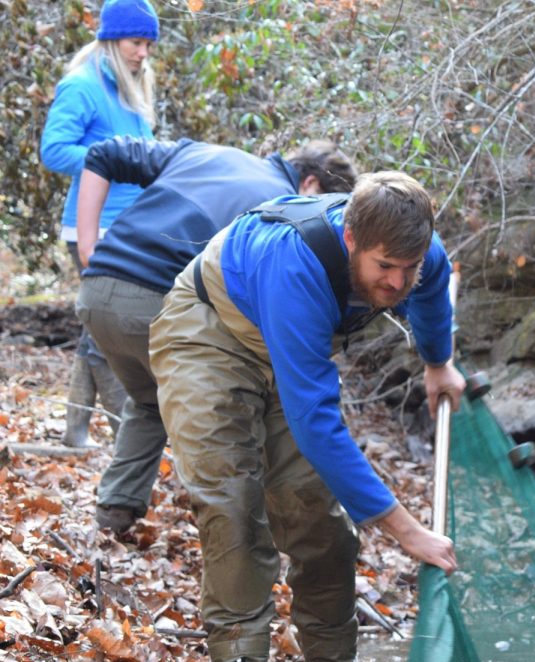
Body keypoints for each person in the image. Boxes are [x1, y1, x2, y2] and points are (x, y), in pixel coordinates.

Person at [149, 171, 464, 662]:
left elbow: (434, 291)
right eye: (384, 267)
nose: (397, 282)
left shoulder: (420, 253)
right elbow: (317, 424)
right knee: (232, 499)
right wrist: (406, 529)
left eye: (407, 268)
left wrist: (438, 362)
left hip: (290, 348)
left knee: (318, 519)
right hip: (210, 332)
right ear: (351, 241)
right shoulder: (297, 261)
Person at [74, 136, 358, 535]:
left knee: (149, 400)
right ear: (310, 184)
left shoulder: (204, 152)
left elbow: (103, 153)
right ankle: (237, 525)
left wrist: (89, 245)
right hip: (156, 300)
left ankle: (114, 512)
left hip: (96, 294)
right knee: (239, 395)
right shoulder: (286, 212)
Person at [40, 0, 161, 448]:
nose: (143, 52)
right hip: (94, 227)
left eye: (149, 43)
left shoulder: (130, 86)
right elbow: (53, 150)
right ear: (111, 39)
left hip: (128, 227)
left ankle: (75, 433)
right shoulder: (82, 85)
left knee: (98, 328)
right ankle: (120, 434)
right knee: (109, 334)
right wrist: (110, 164)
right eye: (136, 41)